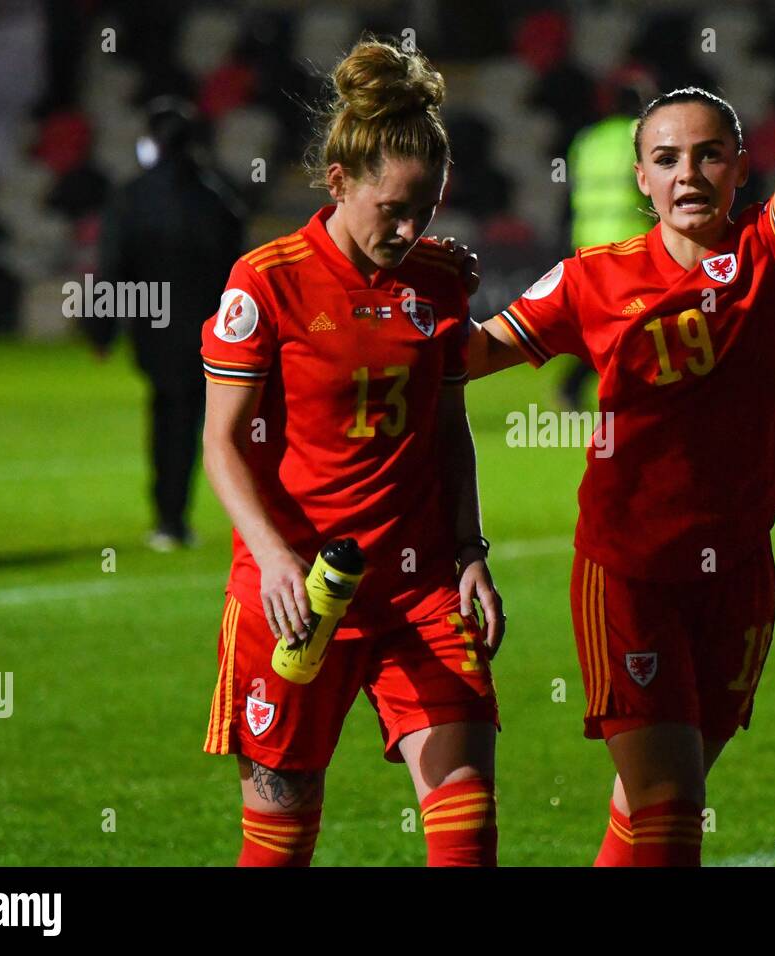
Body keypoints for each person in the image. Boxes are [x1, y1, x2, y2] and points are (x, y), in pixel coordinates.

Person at [468, 28, 775, 866]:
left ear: (738, 168)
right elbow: (468, 357)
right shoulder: (591, 279)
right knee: (670, 802)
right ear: (641, 178)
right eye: (668, 158)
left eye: (710, 155)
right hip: (631, 571)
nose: (689, 173)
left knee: (654, 798)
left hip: (739, 568)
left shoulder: (770, 256)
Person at [200, 36, 504, 867]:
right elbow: (221, 444)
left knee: (466, 836)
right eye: (393, 209)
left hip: (419, 594)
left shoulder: (440, 279)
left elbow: (449, 428)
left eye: (427, 210)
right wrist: (270, 560)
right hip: (299, 598)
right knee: (279, 843)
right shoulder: (266, 283)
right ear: (339, 183)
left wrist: (471, 550)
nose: (408, 229)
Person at [89, 96, 245, 551]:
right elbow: (238, 273)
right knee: (197, 421)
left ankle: (168, 517)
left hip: (154, 330)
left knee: (167, 417)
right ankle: (178, 515)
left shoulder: (132, 197)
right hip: (210, 332)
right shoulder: (217, 198)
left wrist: (103, 330)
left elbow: (113, 266)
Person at [556, 68, 655, 411]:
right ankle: (614, 390)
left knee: (612, 322)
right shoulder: (638, 136)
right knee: (635, 321)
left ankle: (583, 388)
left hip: (587, 241)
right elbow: (649, 188)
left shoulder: (588, 139)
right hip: (629, 241)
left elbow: (572, 192)